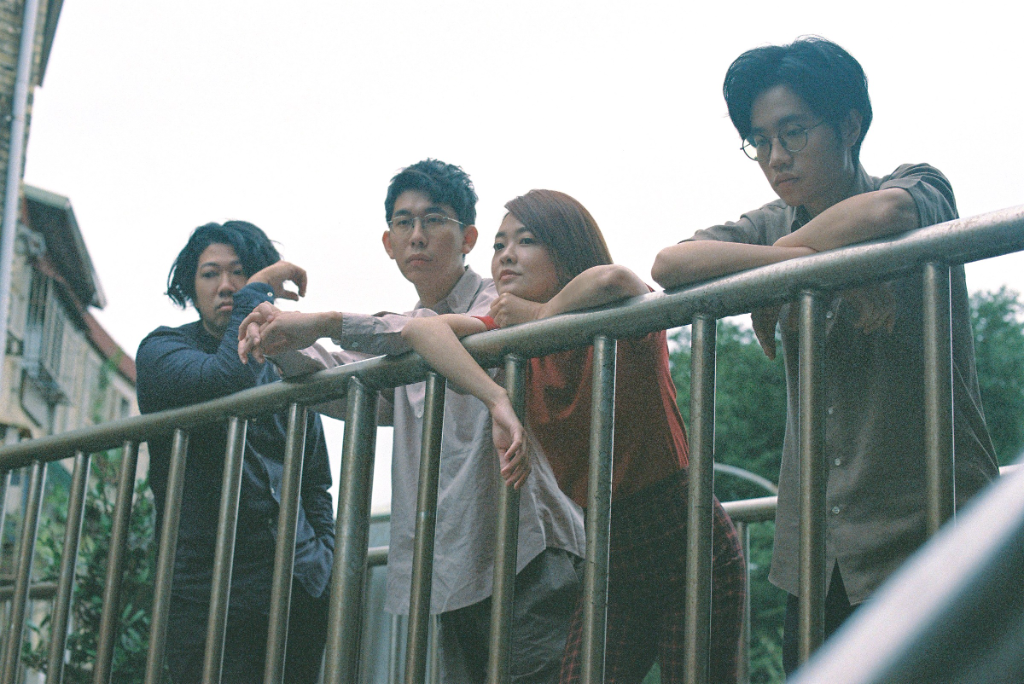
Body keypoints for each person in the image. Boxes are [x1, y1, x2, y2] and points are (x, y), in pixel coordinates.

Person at [650, 37, 999, 674]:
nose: (776, 157)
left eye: (793, 133)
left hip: (933, 532)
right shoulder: (770, 223)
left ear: (850, 126)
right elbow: (670, 264)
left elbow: (886, 211)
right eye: (759, 141)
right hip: (819, 554)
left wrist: (776, 275)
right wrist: (788, 269)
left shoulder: (918, 187)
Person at [237, 160, 586, 684]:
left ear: (468, 238)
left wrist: (322, 323)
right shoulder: (403, 342)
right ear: (388, 242)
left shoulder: (503, 301)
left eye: (434, 220)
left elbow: (415, 331)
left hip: (528, 555)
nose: (417, 236)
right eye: (404, 223)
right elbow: (348, 381)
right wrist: (278, 340)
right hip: (453, 570)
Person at [399, 189, 746, 684]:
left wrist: (542, 315)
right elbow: (421, 332)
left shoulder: (619, 314)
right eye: (499, 245)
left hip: (685, 537)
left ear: (567, 249)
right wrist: (495, 399)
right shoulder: (513, 336)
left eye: (526, 240)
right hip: (609, 551)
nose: (506, 255)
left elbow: (614, 278)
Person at [136, 221, 334, 684]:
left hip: (298, 587)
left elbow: (315, 482)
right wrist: (257, 289)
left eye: (240, 273)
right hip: (207, 594)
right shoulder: (163, 349)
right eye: (210, 274)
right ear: (191, 285)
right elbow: (226, 377)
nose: (226, 286)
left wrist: (324, 559)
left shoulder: (288, 365)